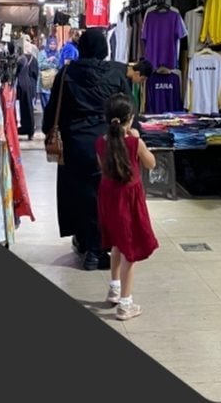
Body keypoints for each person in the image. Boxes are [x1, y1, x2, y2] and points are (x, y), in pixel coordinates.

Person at [42, 28, 134, 271]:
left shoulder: (66, 73)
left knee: (79, 193)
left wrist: (48, 131)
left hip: (75, 144)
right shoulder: (116, 73)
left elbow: (53, 109)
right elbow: (128, 108)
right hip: (108, 143)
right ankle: (97, 249)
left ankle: (84, 241)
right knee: (105, 195)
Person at [96, 93, 158, 321]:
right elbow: (151, 163)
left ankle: (114, 288)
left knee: (116, 244)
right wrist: (139, 140)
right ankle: (125, 304)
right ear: (130, 119)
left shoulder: (100, 142)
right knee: (129, 251)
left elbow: (102, 167)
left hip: (108, 198)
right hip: (129, 200)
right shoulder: (134, 142)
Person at [15, 47, 39, 140]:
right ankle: (30, 130)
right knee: (29, 108)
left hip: (22, 86)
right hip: (30, 85)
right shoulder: (34, 60)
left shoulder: (20, 60)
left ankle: (25, 128)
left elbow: (16, 73)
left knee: (23, 108)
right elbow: (36, 74)